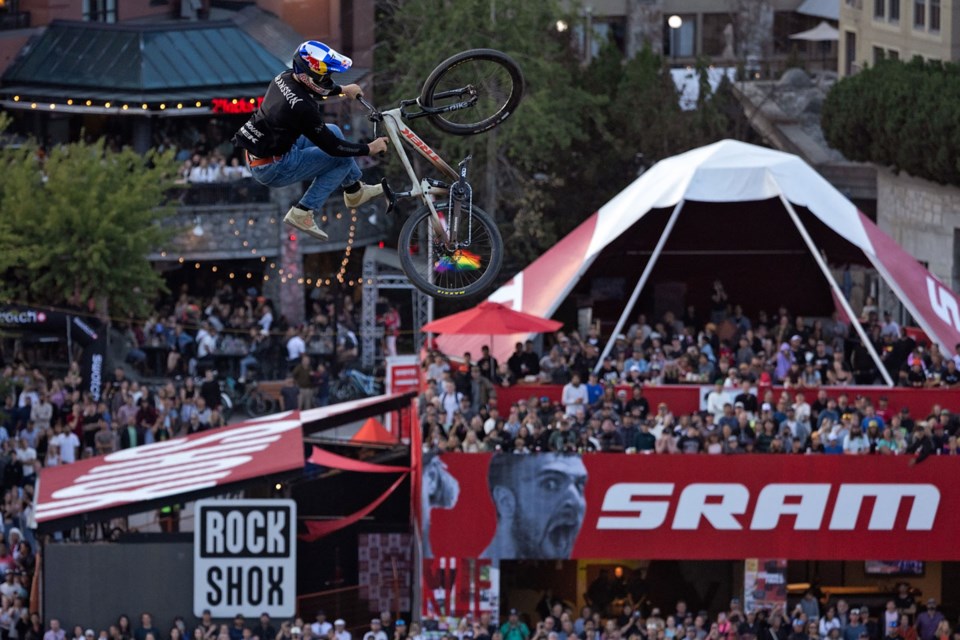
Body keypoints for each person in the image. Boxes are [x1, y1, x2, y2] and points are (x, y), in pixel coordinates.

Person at [232, 40, 389, 241]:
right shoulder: (304, 108)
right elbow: (334, 147)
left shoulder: (284, 77)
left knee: (333, 129)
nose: (328, 80)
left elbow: (316, 88)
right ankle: (303, 211)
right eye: (326, 77)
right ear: (310, 76)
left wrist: (342, 89)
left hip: (266, 151)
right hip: (273, 167)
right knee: (339, 158)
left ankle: (354, 190)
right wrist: (369, 148)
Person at [481, 453, 587, 559]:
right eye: (550, 484)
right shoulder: (483, 573)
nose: (576, 500)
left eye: (580, 485)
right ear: (505, 502)